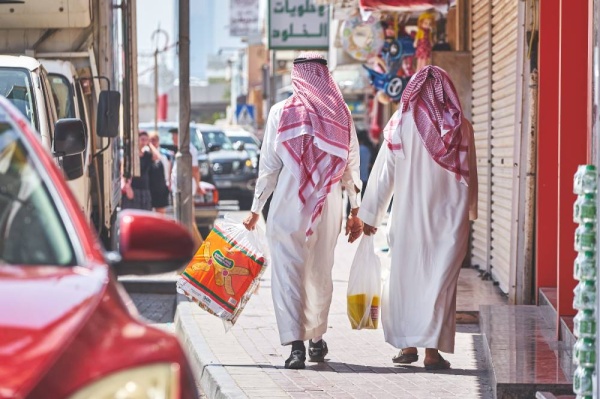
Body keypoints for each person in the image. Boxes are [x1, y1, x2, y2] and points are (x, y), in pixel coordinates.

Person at [242, 52, 364, 370]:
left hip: (287, 204)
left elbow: (268, 167)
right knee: (320, 272)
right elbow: (351, 167)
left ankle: (296, 345)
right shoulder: (341, 114)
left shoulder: (280, 113)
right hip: (328, 204)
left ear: (297, 77)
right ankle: (315, 339)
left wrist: (256, 208)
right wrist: (356, 210)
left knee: (289, 273)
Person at [359, 66, 478, 371]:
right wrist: (471, 212)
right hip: (449, 223)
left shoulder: (400, 124)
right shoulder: (460, 128)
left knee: (407, 282)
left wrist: (371, 214)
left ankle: (408, 345)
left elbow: (384, 174)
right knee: (439, 286)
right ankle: (431, 352)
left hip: (408, 221)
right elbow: (471, 177)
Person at [121, 130, 160, 210]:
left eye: (146, 140)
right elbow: (122, 171)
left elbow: (157, 157)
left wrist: (149, 144)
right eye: (142, 139)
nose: (144, 142)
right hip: (133, 188)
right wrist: (128, 188)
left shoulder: (147, 155)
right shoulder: (130, 155)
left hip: (145, 189)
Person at [148, 131, 171, 214]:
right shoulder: (145, 153)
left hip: (160, 186)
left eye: (154, 140)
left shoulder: (164, 154)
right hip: (149, 186)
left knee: (160, 212)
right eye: (150, 140)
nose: (152, 142)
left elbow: (167, 168)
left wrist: (169, 182)